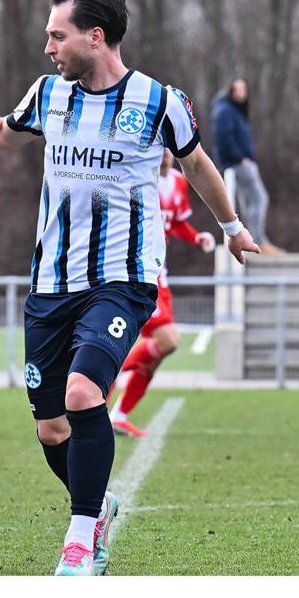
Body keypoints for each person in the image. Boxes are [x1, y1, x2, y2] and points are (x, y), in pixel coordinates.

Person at [0, 0, 258, 575]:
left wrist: (232, 227)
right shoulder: (47, 94)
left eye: (57, 36)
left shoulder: (158, 101)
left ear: (95, 36)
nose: (48, 47)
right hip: (50, 285)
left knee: (84, 393)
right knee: (51, 429)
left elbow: (197, 164)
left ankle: (81, 541)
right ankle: (98, 505)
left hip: (123, 278)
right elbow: (0, 134)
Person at [108, 149, 215, 437]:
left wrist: (197, 237)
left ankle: (118, 415)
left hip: (160, 276)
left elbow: (176, 222)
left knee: (157, 354)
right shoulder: (139, 181)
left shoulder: (178, 182)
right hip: (139, 274)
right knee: (168, 340)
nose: (166, 154)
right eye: (161, 148)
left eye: (170, 148)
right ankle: (105, 373)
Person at [212, 78, 279, 252]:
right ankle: (258, 239)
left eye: (244, 89)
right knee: (259, 198)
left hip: (238, 163)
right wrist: (240, 158)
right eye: (237, 89)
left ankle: (251, 238)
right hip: (237, 164)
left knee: (248, 202)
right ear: (230, 91)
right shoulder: (226, 110)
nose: (242, 93)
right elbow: (224, 139)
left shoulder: (234, 111)